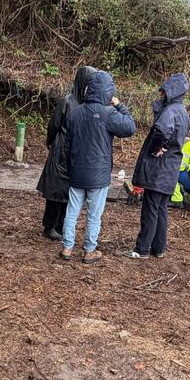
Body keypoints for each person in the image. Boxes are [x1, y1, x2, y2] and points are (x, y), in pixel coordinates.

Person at [61, 70, 136, 263]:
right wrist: (119, 105)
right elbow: (130, 128)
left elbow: (67, 144)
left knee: (72, 211)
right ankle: (89, 251)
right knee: (94, 215)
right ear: (108, 91)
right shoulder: (109, 113)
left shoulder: (76, 113)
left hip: (77, 171)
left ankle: (67, 248)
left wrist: (70, 166)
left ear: (89, 89)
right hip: (99, 174)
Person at [129, 73, 190, 259]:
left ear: (170, 92)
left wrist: (157, 149)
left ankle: (142, 249)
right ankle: (159, 247)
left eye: (163, 92)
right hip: (171, 168)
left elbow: (162, 130)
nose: (160, 95)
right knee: (161, 208)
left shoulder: (170, 111)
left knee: (150, 209)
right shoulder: (183, 112)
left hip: (159, 168)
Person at [36, 66, 95, 240]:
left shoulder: (87, 104)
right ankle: (49, 226)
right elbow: (53, 126)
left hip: (76, 153)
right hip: (60, 150)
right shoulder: (67, 102)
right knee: (55, 191)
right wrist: (51, 144)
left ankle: (61, 225)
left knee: (69, 193)